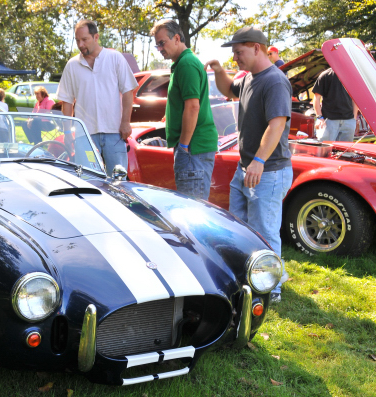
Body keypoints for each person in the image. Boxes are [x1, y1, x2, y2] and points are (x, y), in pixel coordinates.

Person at [205, 27, 293, 303]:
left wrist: (258, 161)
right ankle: (249, 278)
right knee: (240, 228)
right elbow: (228, 90)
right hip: (246, 169)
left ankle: (272, 289)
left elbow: (277, 124)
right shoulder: (249, 78)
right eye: (233, 54)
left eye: (239, 52)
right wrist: (219, 70)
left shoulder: (274, 81)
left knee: (265, 232)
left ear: (257, 48)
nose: (235, 58)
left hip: (267, 171)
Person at [57, 20, 138, 176]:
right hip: (84, 136)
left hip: (114, 132)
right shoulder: (72, 65)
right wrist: (67, 133)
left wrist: (126, 122)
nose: (80, 44)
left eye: (84, 39)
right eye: (77, 40)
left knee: (118, 182)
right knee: (89, 182)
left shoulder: (115, 58)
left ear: (96, 37)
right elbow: (66, 102)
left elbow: (128, 92)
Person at [150, 19, 217, 200]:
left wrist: (184, 146)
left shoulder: (186, 64)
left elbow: (193, 106)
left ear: (177, 38)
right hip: (192, 148)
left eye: (162, 43)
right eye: (157, 45)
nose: (160, 49)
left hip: (193, 149)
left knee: (194, 211)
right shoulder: (182, 63)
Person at [312, 68, 358, 142]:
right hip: (329, 121)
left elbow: (355, 98)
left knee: (346, 152)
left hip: (348, 121)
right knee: (326, 151)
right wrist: (320, 117)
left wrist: (354, 118)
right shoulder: (325, 75)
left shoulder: (352, 75)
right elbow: (316, 98)